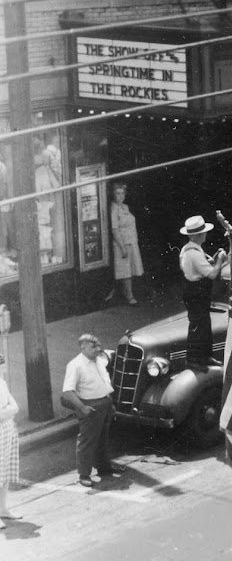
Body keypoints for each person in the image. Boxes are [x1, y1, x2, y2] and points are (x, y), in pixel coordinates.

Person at [61, 334, 124, 489]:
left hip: (105, 403)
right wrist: (82, 407)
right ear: (83, 347)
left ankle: (104, 468)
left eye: (98, 346)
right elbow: (68, 391)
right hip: (90, 406)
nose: (98, 349)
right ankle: (84, 474)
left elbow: (104, 382)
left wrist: (109, 402)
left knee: (103, 438)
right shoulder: (76, 365)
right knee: (87, 441)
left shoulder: (99, 361)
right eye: (93, 347)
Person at [178, 216, 222, 369]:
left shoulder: (187, 250)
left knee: (204, 324)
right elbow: (212, 275)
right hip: (197, 292)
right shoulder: (195, 253)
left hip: (193, 290)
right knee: (198, 326)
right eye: (203, 233)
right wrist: (220, 260)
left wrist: (209, 262)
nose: (205, 235)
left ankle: (205, 356)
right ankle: (194, 359)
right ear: (196, 236)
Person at [106, 183, 142, 305]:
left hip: (131, 242)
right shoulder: (113, 209)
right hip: (122, 244)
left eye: (122, 193)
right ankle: (129, 295)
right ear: (113, 195)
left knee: (131, 269)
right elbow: (114, 229)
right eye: (118, 193)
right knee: (125, 271)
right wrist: (122, 247)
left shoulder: (125, 207)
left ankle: (126, 292)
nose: (121, 196)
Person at [0, 344, 17, 528]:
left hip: (7, 429)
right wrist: (8, 411)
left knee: (4, 472)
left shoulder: (2, 383)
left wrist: (8, 411)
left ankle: (3, 508)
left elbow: (15, 405)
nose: (2, 369)